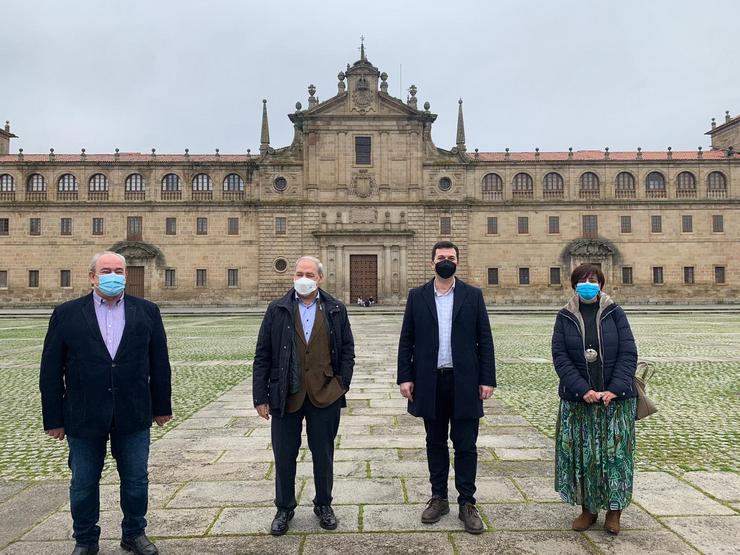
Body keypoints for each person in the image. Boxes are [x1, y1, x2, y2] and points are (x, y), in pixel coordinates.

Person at [40, 251, 173, 555]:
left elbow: (159, 362)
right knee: (84, 482)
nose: (113, 275)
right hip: (84, 413)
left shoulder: (147, 311)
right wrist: (54, 419)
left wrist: (161, 406)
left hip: (133, 410)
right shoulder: (67, 313)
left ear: (126, 276)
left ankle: (134, 533)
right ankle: (85, 540)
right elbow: (50, 370)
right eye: (106, 270)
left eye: (118, 270)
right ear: (92, 276)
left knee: (137, 480)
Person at [397, 241, 495, 535]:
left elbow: (485, 340)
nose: (446, 261)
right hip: (430, 380)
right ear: (432, 263)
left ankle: (467, 503)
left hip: (464, 380)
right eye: (441, 258)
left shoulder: (472, 295)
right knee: (435, 442)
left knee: (466, 444)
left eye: (450, 258)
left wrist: (487, 379)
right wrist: (405, 377)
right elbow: (407, 340)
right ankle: (438, 498)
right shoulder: (417, 296)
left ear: (457, 262)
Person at [253, 256, 355, 536]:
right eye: (299, 273)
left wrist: (341, 384)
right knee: (284, 454)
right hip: (286, 393)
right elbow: (263, 354)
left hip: (325, 393)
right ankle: (284, 507)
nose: (303, 277)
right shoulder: (277, 309)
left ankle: (324, 504)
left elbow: (347, 350)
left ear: (320, 278)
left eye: (309, 273)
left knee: (324, 454)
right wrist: (260, 396)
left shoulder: (335, 308)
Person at [552, 263, 638, 536]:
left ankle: (615, 511)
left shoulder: (615, 312)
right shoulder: (564, 316)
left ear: (602, 283)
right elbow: (561, 358)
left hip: (616, 401)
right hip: (581, 401)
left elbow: (628, 352)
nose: (588, 284)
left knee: (616, 457)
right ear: (574, 284)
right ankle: (588, 510)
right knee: (584, 456)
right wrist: (582, 390)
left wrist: (615, 388)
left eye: (593, 279)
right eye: (582, 280)